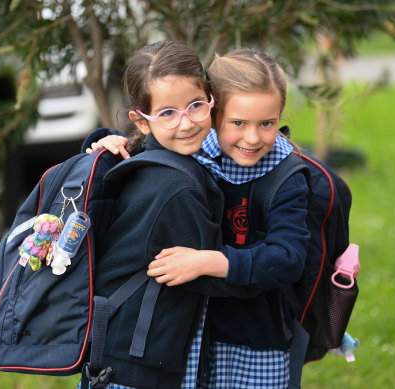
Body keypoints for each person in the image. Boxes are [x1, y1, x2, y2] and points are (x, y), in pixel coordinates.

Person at [86, 48, 311, 388]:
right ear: (216, 108)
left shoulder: (284, 176)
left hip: (253, 339)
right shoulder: (196, 150)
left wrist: (210, 261)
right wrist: (101, 140)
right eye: (238, 123)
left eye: (267, 123)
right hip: (191, 337)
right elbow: (146, 145)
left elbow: (288, 258)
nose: (252, 137)